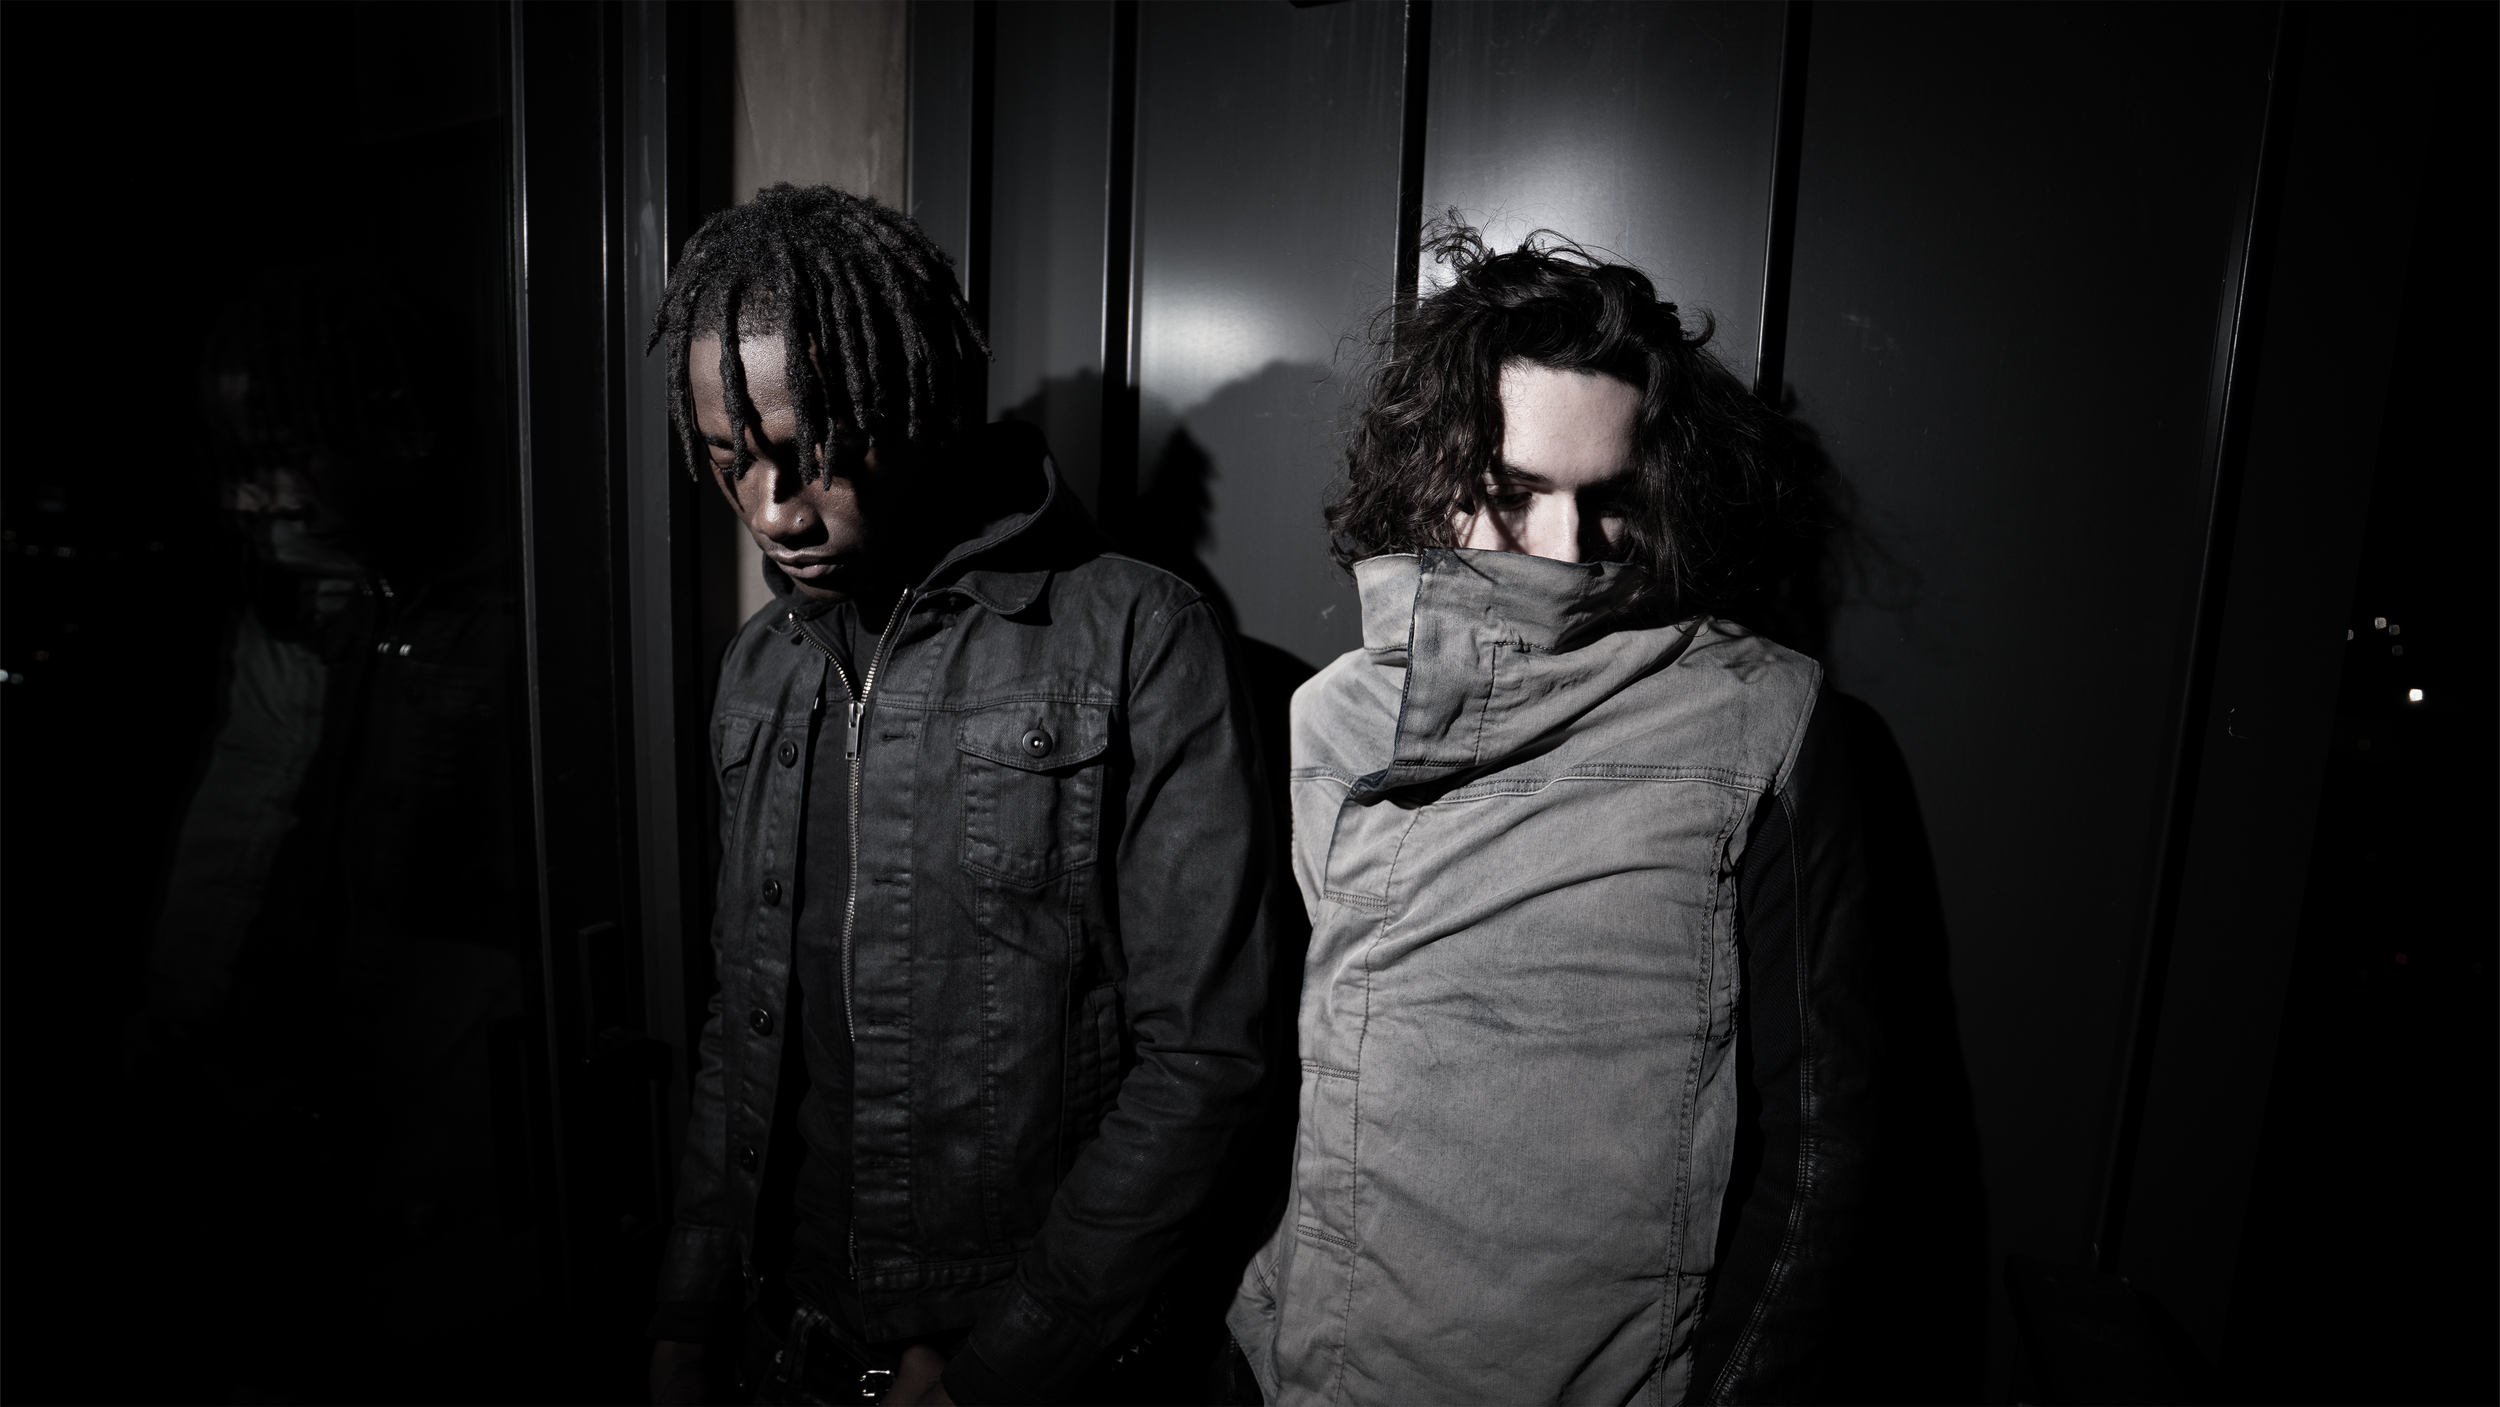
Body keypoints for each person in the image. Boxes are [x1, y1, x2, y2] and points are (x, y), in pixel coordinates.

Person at [646, 185, 1276, 1407]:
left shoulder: (1139, 638)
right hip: (783, 1350)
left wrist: (1007, 1367)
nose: (773, 510)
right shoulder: (762, 668)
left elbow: (1209, 1062)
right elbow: (746, 1019)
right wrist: (690, 1302)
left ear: (920, 403)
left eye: (814, 453)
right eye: (732, 461)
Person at [1228, 227, 1881, 1403]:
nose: (1568, 554)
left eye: (1609, 502)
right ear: (1432, 480)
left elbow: (1825, 1150)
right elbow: (1281, 1080)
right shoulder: (1327, 721)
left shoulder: (1762, 721)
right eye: (1514, 495)